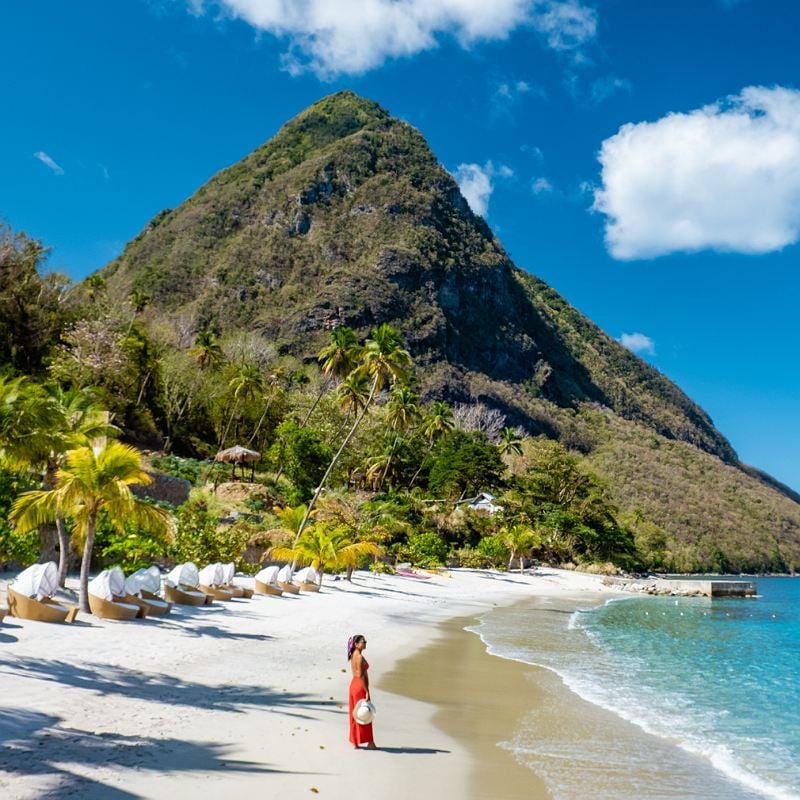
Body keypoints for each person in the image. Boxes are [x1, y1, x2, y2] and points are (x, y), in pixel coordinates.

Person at [347, 634, 377, 749]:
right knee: (366, 713)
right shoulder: (358, 656)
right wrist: (367, 690)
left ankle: (355, 741)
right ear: (356, 644)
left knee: (355, 714)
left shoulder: (354, 655)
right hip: (359, 686)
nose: (365, 643)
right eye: (363, 642)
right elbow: (360, 674)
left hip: (353, 685)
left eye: (365, 641)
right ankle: (370, 742)